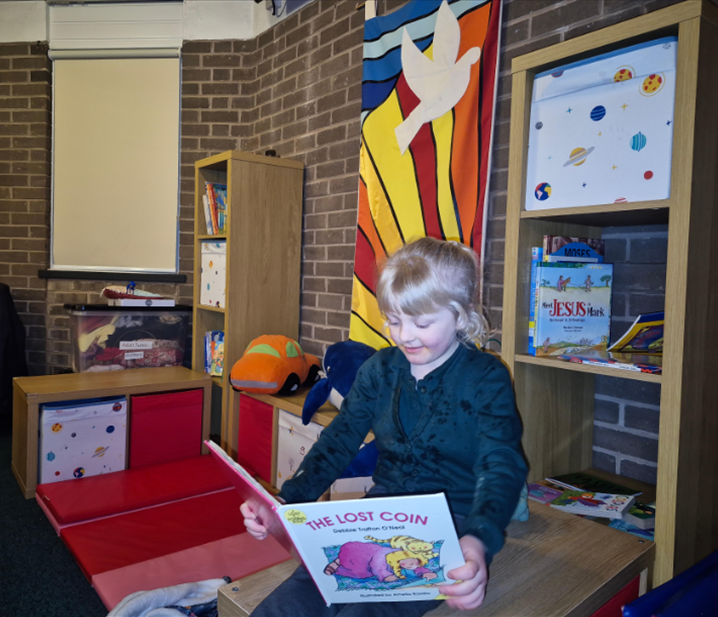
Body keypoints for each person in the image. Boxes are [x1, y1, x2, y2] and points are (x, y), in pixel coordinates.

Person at [241, 237, 528, 616]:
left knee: (372, 608)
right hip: (381, 514)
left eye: (422, 323)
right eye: (393, 320)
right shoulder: (380, 369)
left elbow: (502, 465)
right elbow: (339, 440)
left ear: (460, 316)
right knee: (295, 598)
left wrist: (478, 540)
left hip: (454, 522)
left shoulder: (486, 376)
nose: (404, 335)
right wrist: (287, 502)